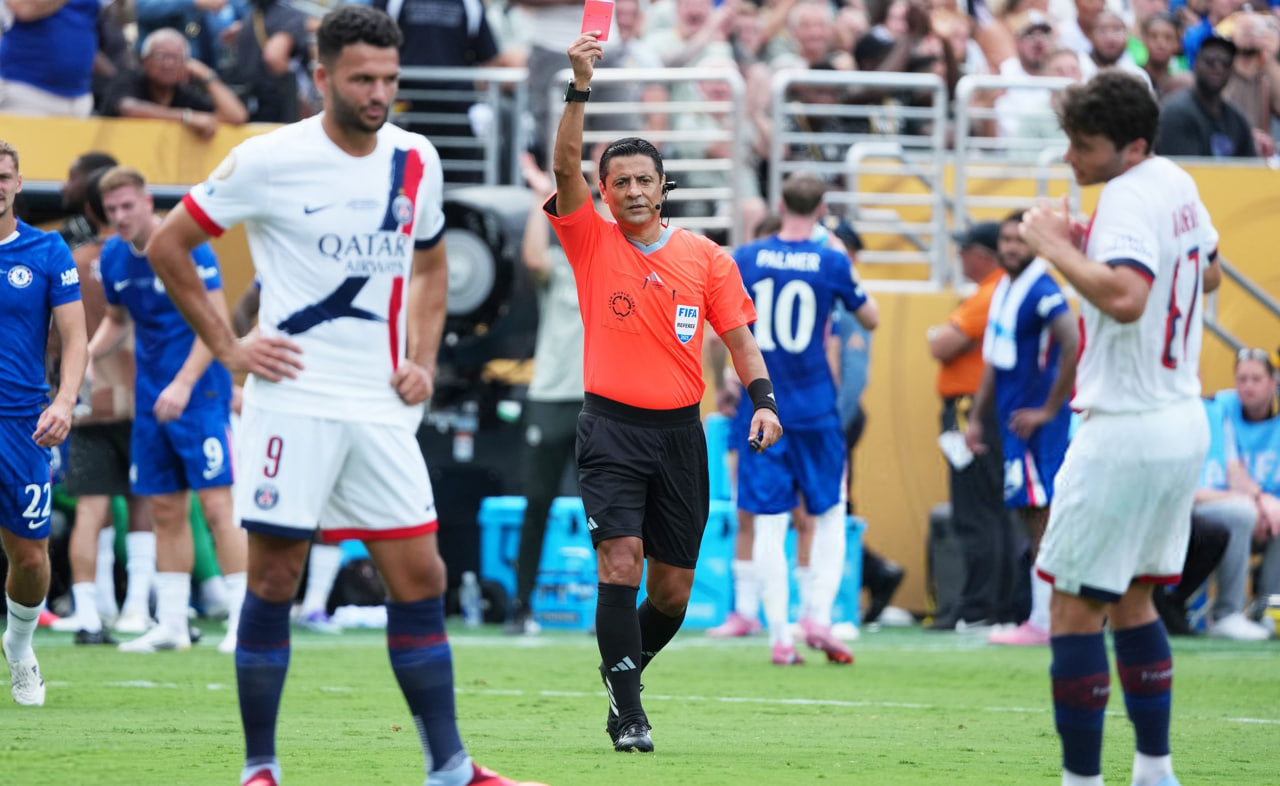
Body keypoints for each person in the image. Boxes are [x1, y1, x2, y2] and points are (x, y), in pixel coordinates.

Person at [145, 8, 547, 786]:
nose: (379, 93)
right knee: (273, 581)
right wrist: (229, 349)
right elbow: (169, 246)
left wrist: (422, 359)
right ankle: (260, 768)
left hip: (379, 404)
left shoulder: (417, 158)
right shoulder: (268, 159)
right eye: (363, 78)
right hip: (291, 400)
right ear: (322, 75)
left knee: (423, 578)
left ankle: (450, 768)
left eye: (389, 79)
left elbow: (431, 267)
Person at [546, 32, 782, 754]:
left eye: (644, 179)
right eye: (619, 182)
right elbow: (563, 164)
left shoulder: (706, 258)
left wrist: (764, 401)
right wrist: (579, 86)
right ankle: (629, 714)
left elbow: (740, 340)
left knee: (672, 593)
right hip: (610, 431)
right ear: (604, 192)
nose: (633, 190)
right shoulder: (590, 242)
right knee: (620, 562)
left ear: (663, 185)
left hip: (682, 435)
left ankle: (621, 671)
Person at [1021, 69, 1220, 786]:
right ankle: (1154, 771)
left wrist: (1056, 248)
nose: (1070, 156)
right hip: (1180, 418)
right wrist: (1091, 248)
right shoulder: (1175, 182)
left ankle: (1081, 781)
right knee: (1134, 599)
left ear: (1132, 146)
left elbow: (1129, 297)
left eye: (1085, 144)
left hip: (1125, 425)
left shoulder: (1129, 194)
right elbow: (1211, 273)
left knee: (1074, 609)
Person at [90, 166, 247, 656]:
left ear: (147, 202)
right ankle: (174, 623)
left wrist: (183, 383)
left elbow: (217, 323)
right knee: (164, 508)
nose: (120, 216)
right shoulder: (113, 255)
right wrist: (85, 358)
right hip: (151, 397)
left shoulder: (188, 246)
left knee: (217, 506)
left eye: (127, 206)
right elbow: (118, 319)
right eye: (111, 209)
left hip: (200, 395)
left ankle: (246, 622)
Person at [732, 172, 879, 666]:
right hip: (815, 406)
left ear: (780, 204)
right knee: (830, 510)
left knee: (770, 519)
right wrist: (838, 256)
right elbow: (871, 317)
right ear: (821, 209)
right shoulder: (831, 260)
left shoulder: (748, 257)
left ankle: (779, 636)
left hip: (763, 405)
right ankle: (817, 615)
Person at [48, 164, 159, 643]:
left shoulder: (72, 260)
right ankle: (136, 609)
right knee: (144, 504)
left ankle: (91, 611)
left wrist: (63, 384)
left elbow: (55, 337)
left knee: (92, 509)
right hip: (141, 394)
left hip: (88, 396)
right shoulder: (145, 254)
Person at [0, 139, 88, 706]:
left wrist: (65, 402)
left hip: (22, 423)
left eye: (2, 176)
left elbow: (76, 337)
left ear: (16, 183)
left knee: (31, 555)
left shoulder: (47, 249)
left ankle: (19, 644)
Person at [966, 210, 1079, 648]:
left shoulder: (1043, 289)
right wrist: (977, 417)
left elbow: (1071, 340)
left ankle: (1045, 620)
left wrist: (1050, 409)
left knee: (1042, 513)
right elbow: (995, 359)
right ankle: (1046, 615)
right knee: (1030, 513)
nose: (1012, 247)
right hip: (1013, 420)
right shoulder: (1005, 288)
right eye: (1006, 239)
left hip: (1036, 423)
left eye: (1020, 240)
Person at [506, 153, 585, 636]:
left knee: (608, 512)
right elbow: (533, 258)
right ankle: (520, 606)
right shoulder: (559, 265)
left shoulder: (614, 264)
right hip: (551, 397)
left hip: (600, 401)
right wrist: (541, 200)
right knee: (537, 503)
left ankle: (614, 609)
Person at [927, 222, 1018, 630]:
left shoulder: (990, 292)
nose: (960, 257)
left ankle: (980, 606)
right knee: (990, 510)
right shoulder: (998, 291)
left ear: (983, 254)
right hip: (981, 409)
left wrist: (938, 334)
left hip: (972, 411)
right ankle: (994, 604)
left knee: (976, 510)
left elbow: (941, 343)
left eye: (965, 250)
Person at [1194, 349, 1280, 639]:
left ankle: (1270, 611)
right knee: (1245, 513)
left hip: (1264, 516)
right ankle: (1227, 613)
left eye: (1256, 379)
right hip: (1228, 508)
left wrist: (1267, 506)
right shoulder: (1221, 408)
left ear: (1273, 382)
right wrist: (1260, 501)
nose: (1248, 386)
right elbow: (1234, 473)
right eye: (1241, 379)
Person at [1155, 34, 1258, 158]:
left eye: (1226, 63)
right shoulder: (1175, 112)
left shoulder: (1237, 119)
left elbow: (1250, 164)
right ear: (1196, 64)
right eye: (1210, 61)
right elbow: (1184, 166)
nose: (1218, 67)